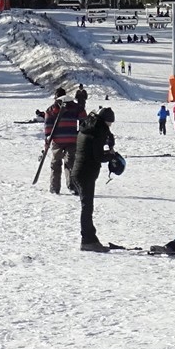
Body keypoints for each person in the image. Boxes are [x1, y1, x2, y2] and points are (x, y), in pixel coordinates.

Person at [73, 107, 117, 251]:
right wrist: (111, 155)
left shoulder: (88, 127)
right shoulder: (98, 131)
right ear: (106, 121)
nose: (110, 126)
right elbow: (98, 156)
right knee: (87, 207)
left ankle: (90, 239)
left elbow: (91, 150)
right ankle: (88, 240)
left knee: (86, 206)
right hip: (86, 172)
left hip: (78, 171)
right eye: (110, 123)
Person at [44, 88, 83, 195]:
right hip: (72, 139)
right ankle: (72, 186)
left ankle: (54, 187)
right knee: (71, 163)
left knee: (56, 163)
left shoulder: (52, 109)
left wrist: (47, 137)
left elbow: (48, 125)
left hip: (57, 140)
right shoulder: (75, 107)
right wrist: (80, 132)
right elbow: (84, 118)